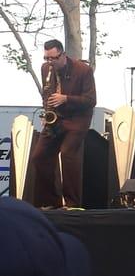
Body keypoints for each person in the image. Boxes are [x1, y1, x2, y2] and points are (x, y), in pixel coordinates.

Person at [30, 39, 96, 209]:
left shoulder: (83, 70)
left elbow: (91, 100)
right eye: (46, 58)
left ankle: (73, 203)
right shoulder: (46, 68)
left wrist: (65, 98)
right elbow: (46, 93)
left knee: (67, 154)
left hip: (77, 119)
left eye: (53, 58)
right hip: (56, 118)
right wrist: (48, 111)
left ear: (63, 55)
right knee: (39, 157)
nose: (49, 63)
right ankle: (52, 201)